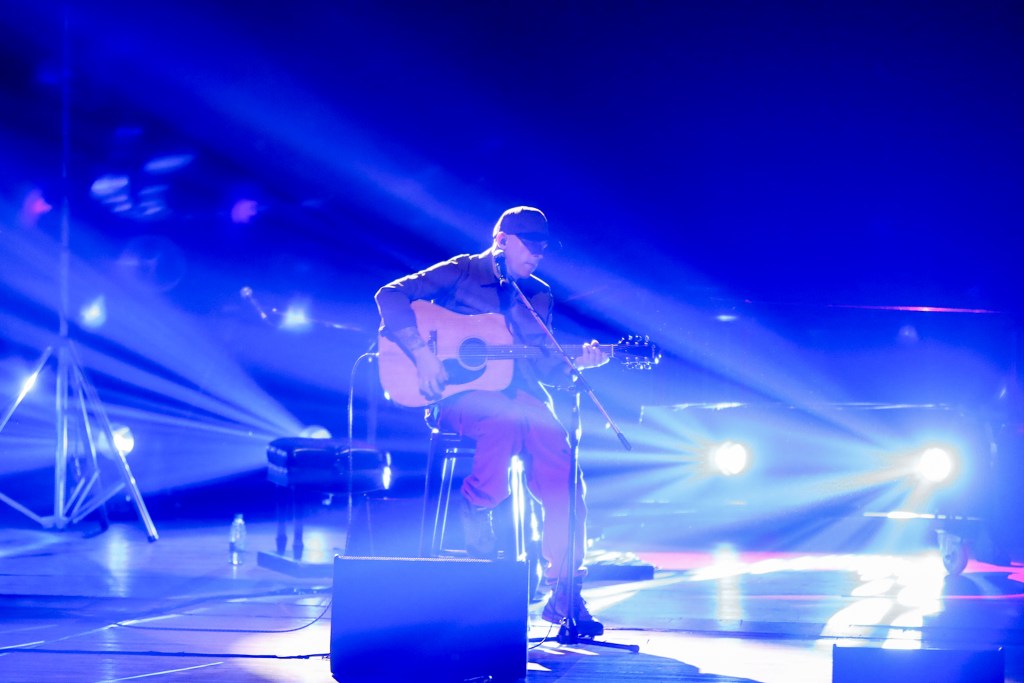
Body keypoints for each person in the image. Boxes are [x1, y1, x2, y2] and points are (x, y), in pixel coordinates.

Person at [375, 206, 609, 636]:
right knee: (502, 420)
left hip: (524, 398)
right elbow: (389, 295)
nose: (537, 255)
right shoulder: (463, 270)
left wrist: (581, 362)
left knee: (562, 464)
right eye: (530, 245)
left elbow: (546, 367)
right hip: (458, 396)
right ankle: (478, 505)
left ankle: (565, 592)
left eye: (542, 247)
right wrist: (423, 355)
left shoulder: (538, 295)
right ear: (501, 240)